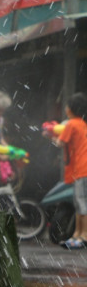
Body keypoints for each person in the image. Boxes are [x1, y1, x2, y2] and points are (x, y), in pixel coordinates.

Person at [47, 92, 87, 249]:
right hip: (81, 168)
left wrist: (50, 136)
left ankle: (83, 235)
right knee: (78, 203)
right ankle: (77, 234)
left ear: (70, 109)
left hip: (82, 169)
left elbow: (60, 143)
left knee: (82, 203)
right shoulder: (82, 124)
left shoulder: (71, 124)